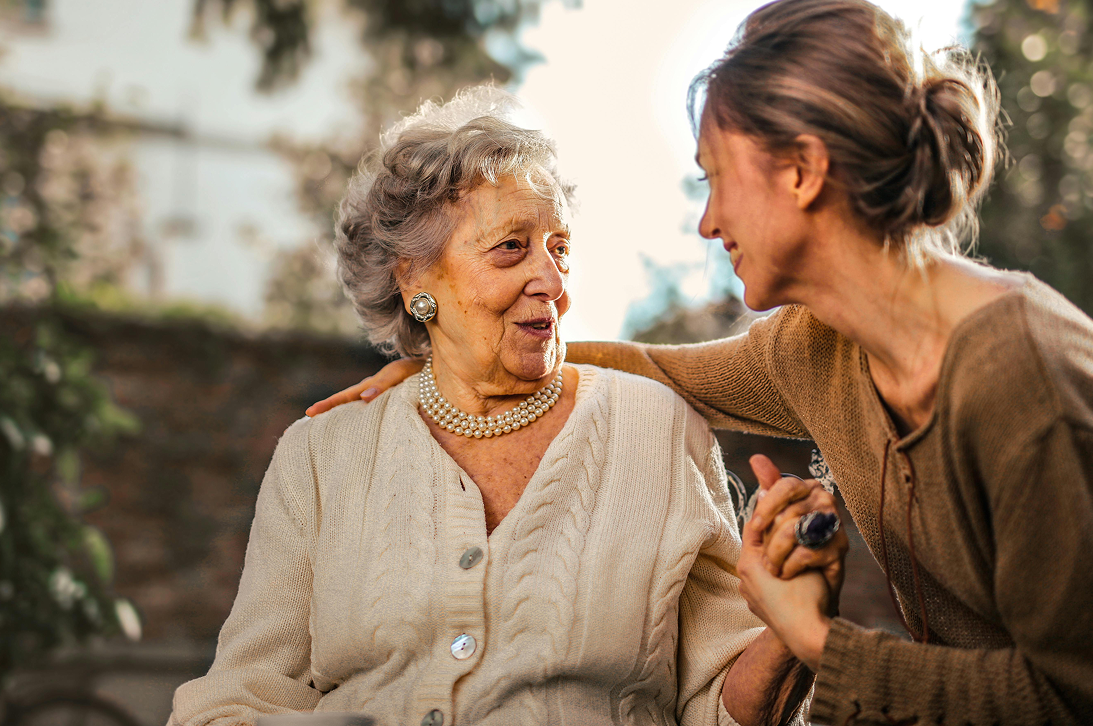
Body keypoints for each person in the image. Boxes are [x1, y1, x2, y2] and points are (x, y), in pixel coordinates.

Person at [309, 0, 1093, 726]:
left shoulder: (1024, 382)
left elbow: (1089, 696)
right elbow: (657, 369)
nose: (707, 222)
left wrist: (814, 638)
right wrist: (456, 362)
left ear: (802, 172)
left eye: (717, 178)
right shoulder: (816, 348)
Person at [169, 87, 847, 726]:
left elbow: (721, 708)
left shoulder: (657, 429)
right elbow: (239, 697)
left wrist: (791, 630)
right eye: (511, 248)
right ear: (414, 277)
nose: (552, 282)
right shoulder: (321, 455)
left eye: (561, 249)